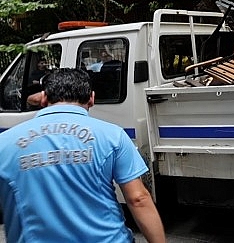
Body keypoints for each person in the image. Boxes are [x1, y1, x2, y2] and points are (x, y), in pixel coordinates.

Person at [0, 68, 166, 243]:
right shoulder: (112, 136)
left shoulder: (5, 142)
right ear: (92, 99)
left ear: (43, 98)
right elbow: (138, 198)